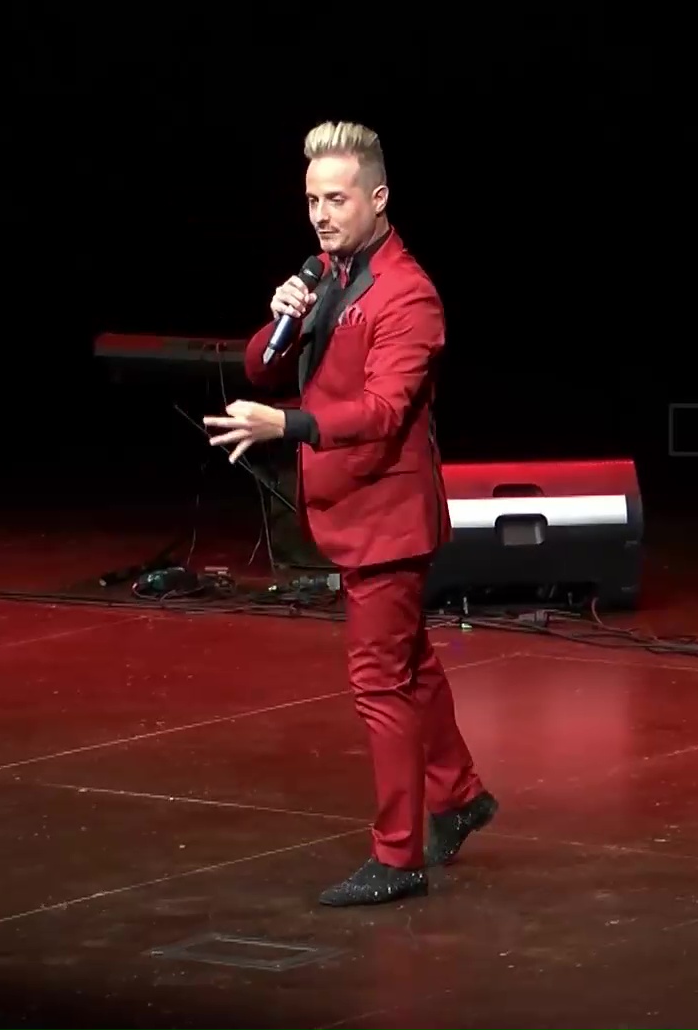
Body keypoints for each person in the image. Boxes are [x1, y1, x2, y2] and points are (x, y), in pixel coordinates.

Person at [204, 120, 499, 906]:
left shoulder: (411, 295)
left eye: (336, 199)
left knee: (379, 681)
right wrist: (284, 316)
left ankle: (398, 858)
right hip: (349, 503)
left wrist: (288, 426)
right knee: (412, 663)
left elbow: (383, 411)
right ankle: (461, 794)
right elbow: (263, 366)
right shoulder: (325, 274)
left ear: (379, 197)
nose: (321, 214)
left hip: (388, 514)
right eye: (311, 200)